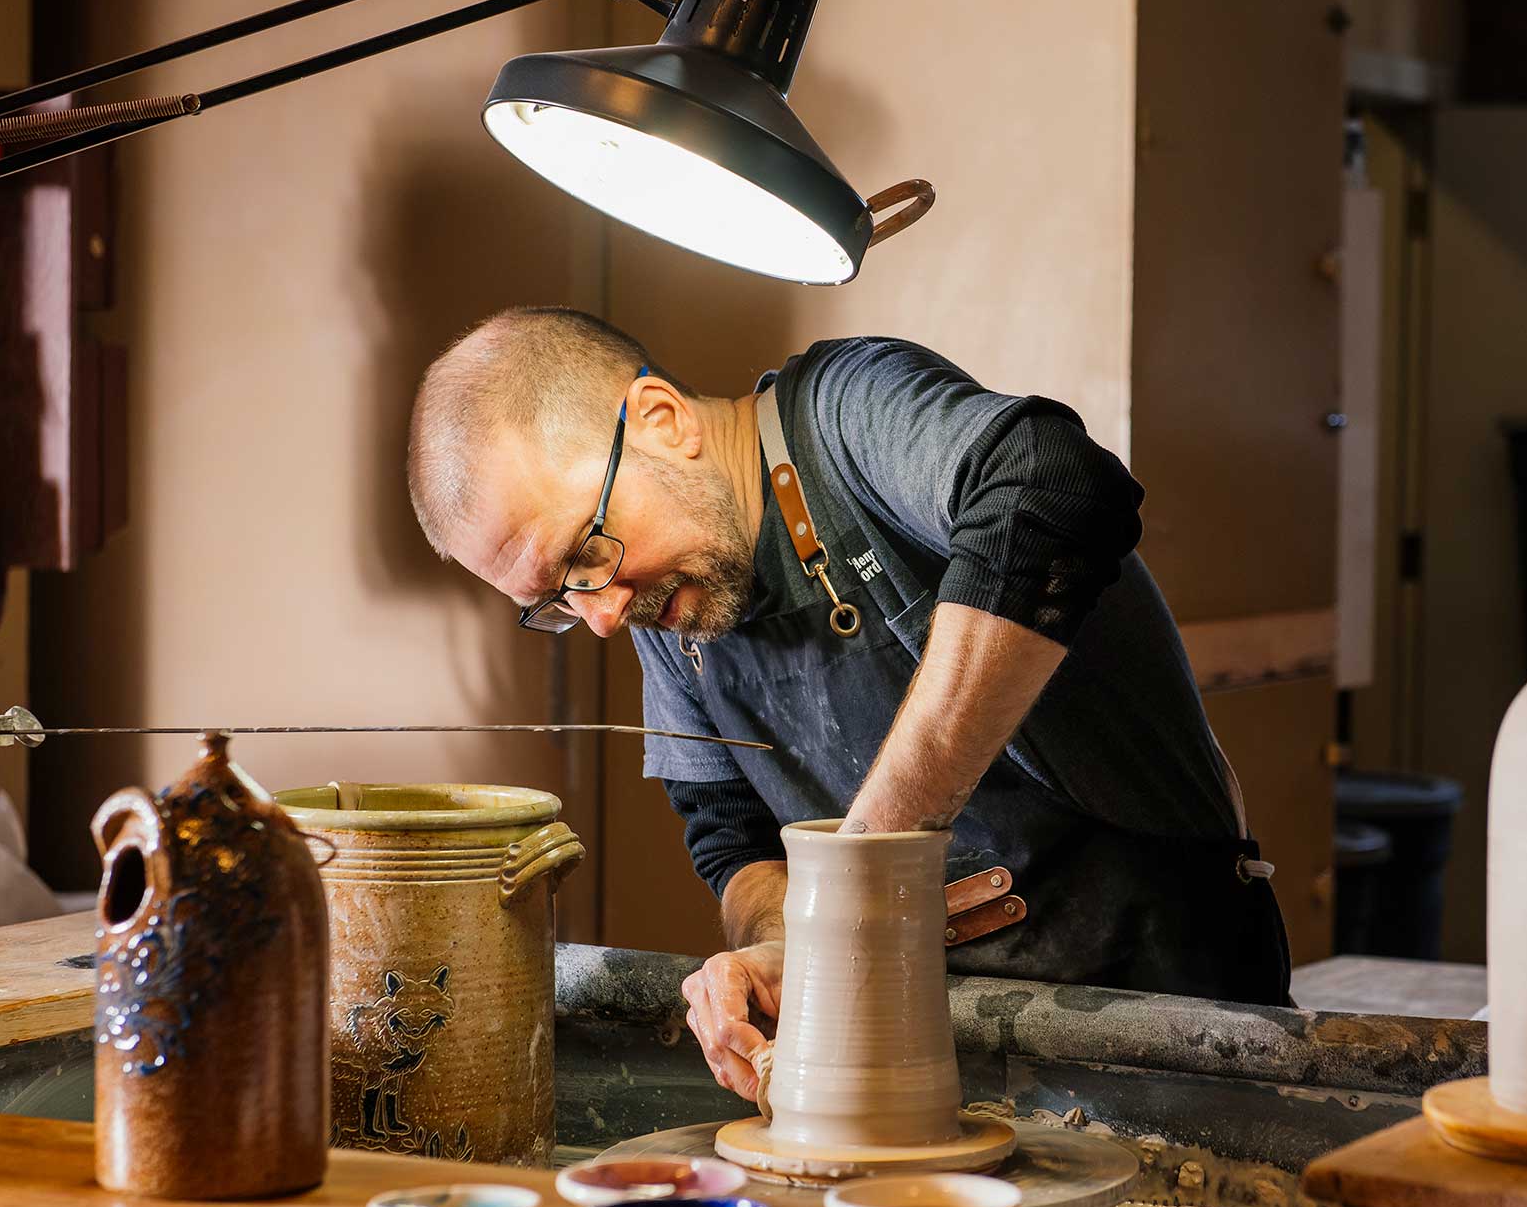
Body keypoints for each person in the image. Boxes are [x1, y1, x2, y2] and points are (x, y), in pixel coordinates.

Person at [406, 307, 1289, 1100]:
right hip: (951, 1066)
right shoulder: (661, 602)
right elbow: (732, 838)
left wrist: (866, 870)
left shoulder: (846, 414)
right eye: (556, 599)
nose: (599, 616)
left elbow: (1052, 485)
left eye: (585, 553)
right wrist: (782, 944)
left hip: (1178, 1026)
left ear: (662, 422)